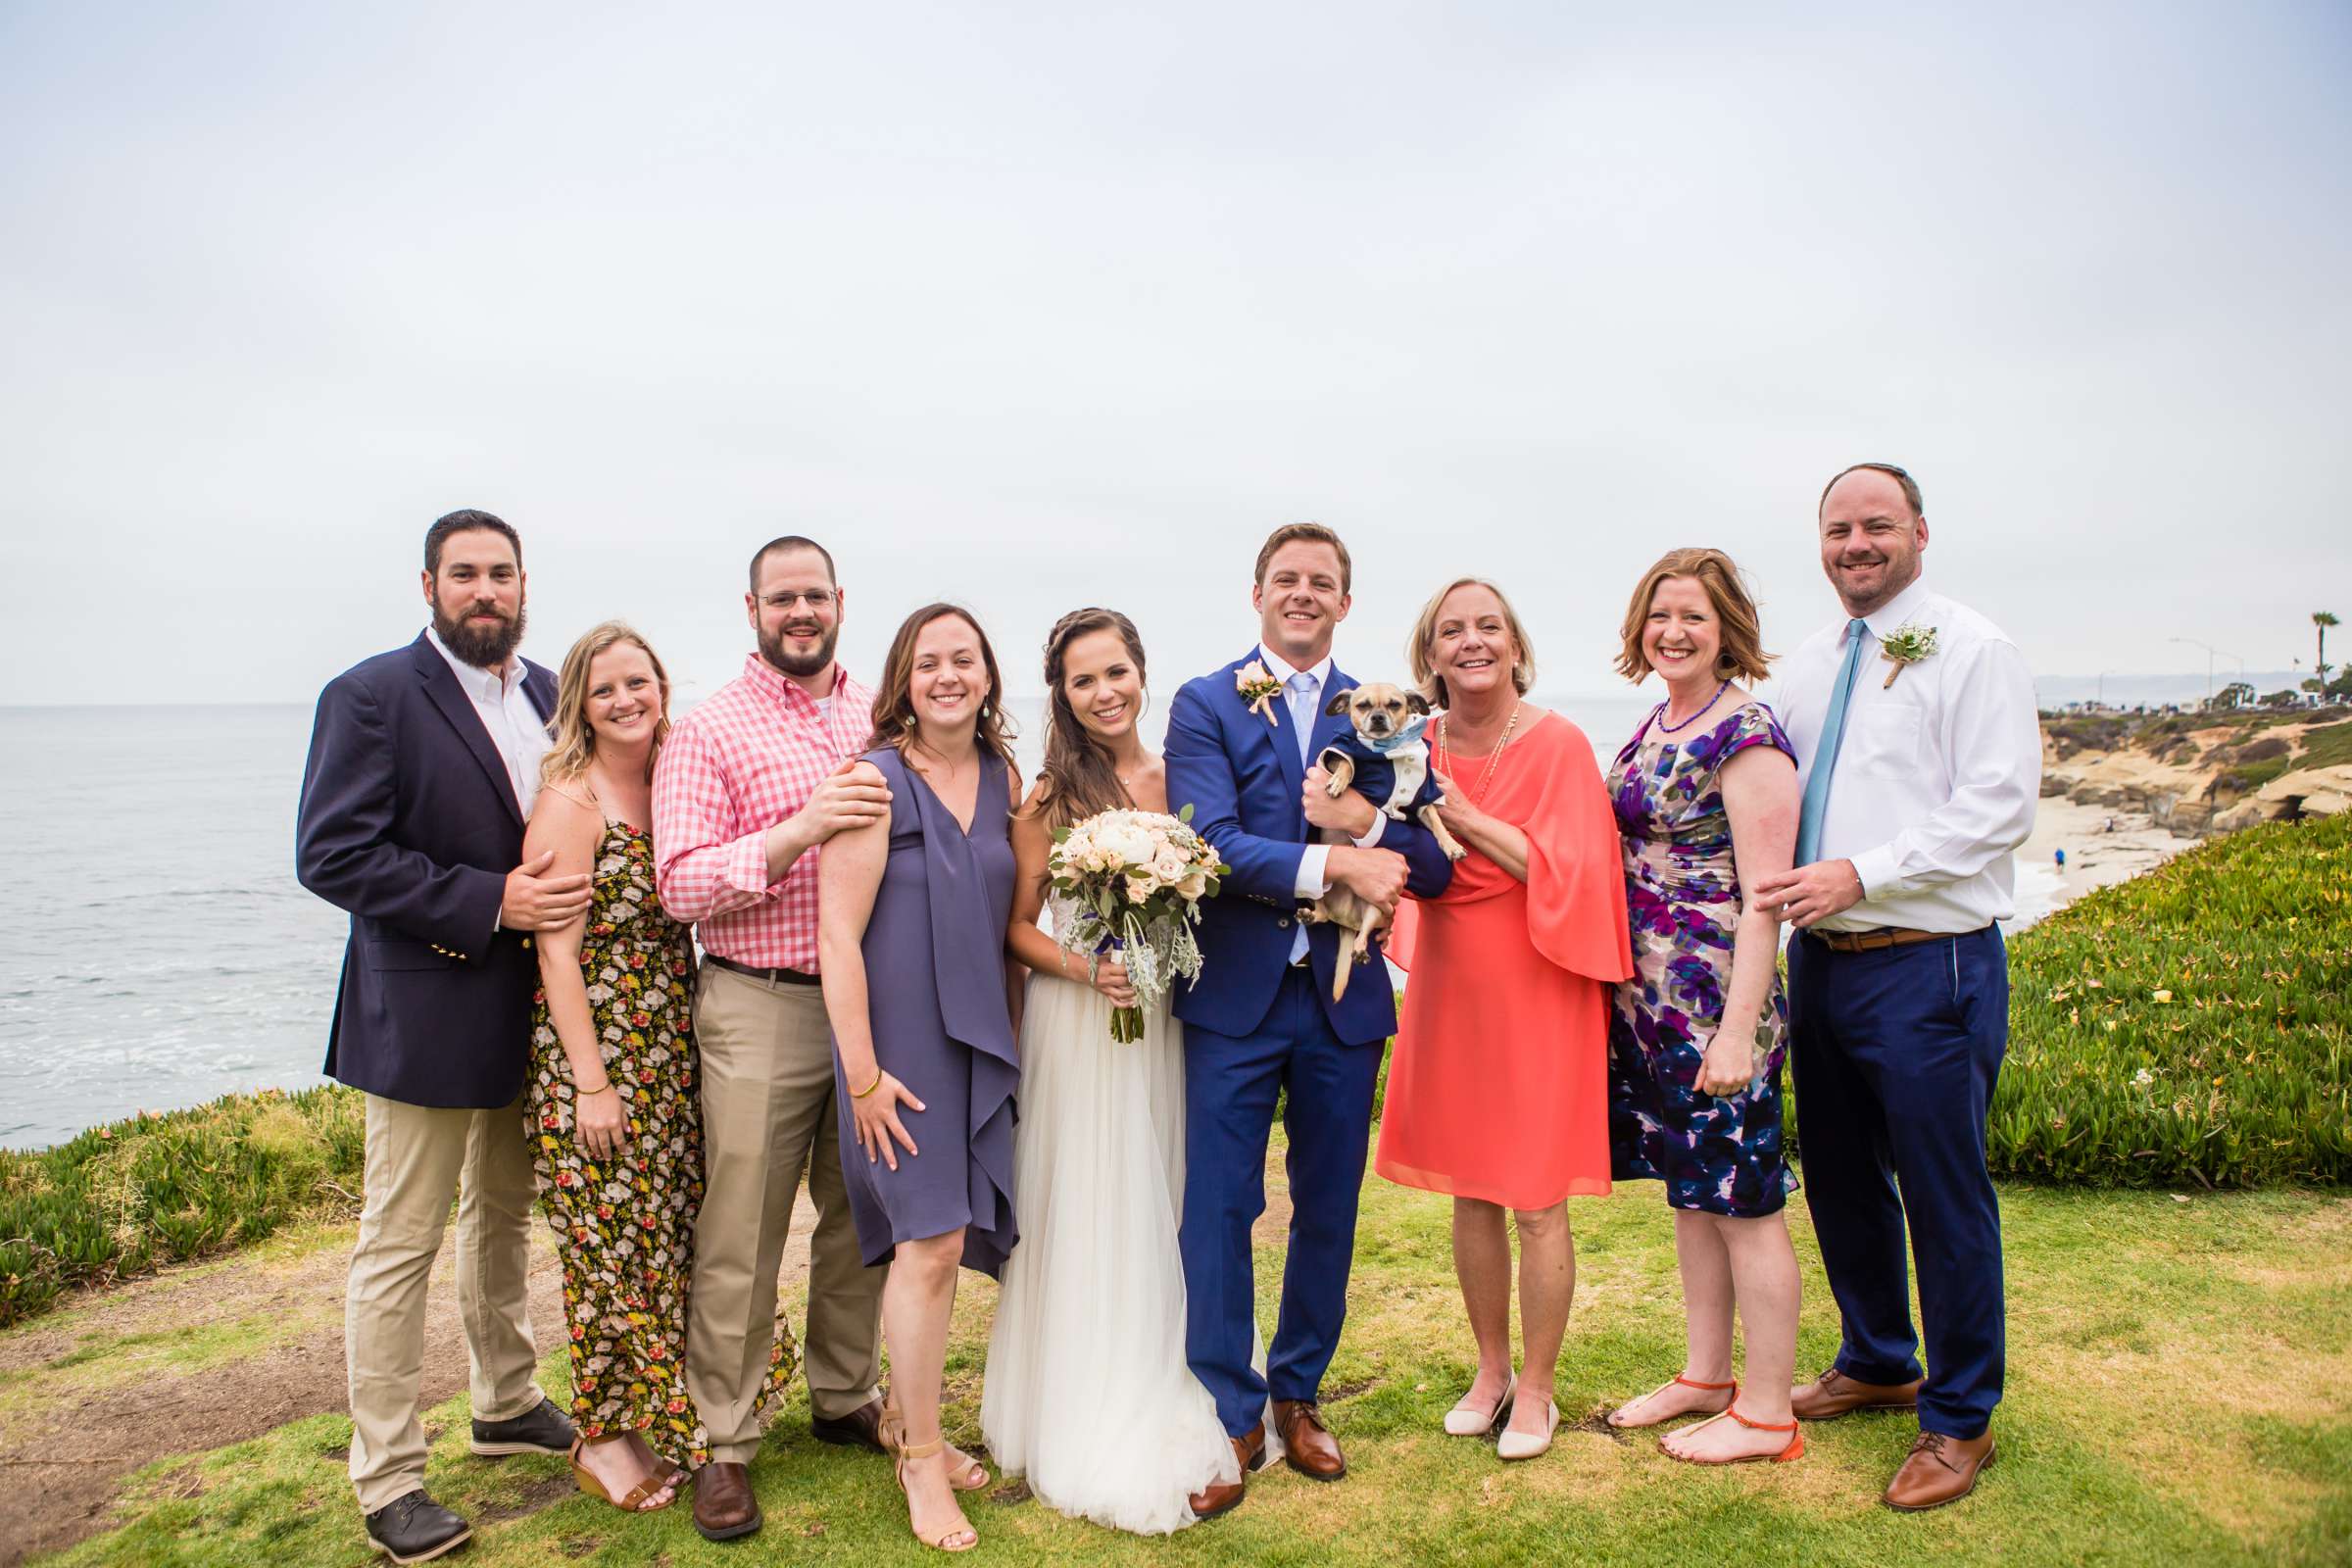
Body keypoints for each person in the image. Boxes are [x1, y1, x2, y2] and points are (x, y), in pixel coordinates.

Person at [296, 510, 580, 1565]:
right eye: (464, 574)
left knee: (504, 1217)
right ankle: (388, 1477)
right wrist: (486, 901)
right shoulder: (370, 696)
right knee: (399, 1242)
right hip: (421, 1006)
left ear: (522, 583)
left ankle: (505, 1400)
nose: (485, 591)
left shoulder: (553, 692)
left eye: (501, 573)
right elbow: (332, 855)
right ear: (428, 586)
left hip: (531, 1009)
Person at [1754, 463, 2039, 1511]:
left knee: (1941, 1189)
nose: (1855, 543)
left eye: (1877, 525)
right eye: (1838, 528)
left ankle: (1961, 1416)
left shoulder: (1973, 647)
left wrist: (1861, 872)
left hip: (1932, 959)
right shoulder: (1809, 661)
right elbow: (1746, 753)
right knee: (1836, 1173)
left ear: (1920, 530)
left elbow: (2001, 805)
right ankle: (1878, 1355)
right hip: (1821, 962)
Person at [1164, 523, 1455, 1517]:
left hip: (1345, 1001)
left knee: (1329, 1207)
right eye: (1286, 579)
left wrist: (1371, 829)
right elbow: (1206, 841)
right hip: (1234, 997)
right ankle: (1230, 1405)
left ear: (1344, 601)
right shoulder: (1205, 701)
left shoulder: (1386, 712)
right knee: (1220, 1206)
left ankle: (1298, 1392)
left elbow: (1439, 862)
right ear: (1257, 594)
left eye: (1321, 582)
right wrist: (1336, 863)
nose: (1302, 593)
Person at [650, 536, 893, 1544]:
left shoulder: (882, 711)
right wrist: (797, 829)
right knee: (742, 1228)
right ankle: (726, 1439)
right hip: (758, 1000)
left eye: (814, 594)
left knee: (862, 1210)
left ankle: (843, 1395)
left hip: (872, 1001)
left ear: (840, 600)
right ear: (751, 607)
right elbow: (680, 882)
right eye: (780, 597)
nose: (800, 610)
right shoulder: (707, 731)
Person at [981, 609, 1241, 1533]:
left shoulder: (1181, 777)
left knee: (1163, 1191)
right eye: (1084, 680)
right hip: (1083, 1013)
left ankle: (1175, 1361)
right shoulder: (1049, 793)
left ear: (1141, 670)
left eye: (1117, 671)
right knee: (1093, 1195)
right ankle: (1087, 1394)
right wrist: (1088, 969)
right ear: (1062, 693)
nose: (1105, 693)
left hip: (1162, 1012)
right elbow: (1015, 927)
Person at [1375, 577, 1630, 1462]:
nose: (1471, 641)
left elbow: (1568, 868)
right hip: (1452, 976)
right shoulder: (1413, 739)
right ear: (1430, 655)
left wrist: (1461, 814)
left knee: (1535, 1196)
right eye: (1452, 630)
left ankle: (1542, 1389)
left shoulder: (1557, 743)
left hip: (1537, 972)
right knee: (1472, 1187)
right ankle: (1489, 1372)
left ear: (1516, 646)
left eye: (1489, 627)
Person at [527, 622, 774, 1513]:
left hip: (678, 1046)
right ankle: (600, 1439)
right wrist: (591, 1083)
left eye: (639, 682)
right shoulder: (571, 800)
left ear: (662, 688)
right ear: (580, 707)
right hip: (597, 1057)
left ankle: (665, 1416)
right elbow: (554, 956)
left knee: (669, 1245)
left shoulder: (676, 774)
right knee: (608, 1254)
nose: (626, 700)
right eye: (605, 690)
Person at [1597, 549, 1807, 1466]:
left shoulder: (1745, 733)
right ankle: (1707, 1375)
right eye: (1659, 616)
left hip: (1718, 1008)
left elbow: (1767, 899)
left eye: (1693, 616)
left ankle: (1767, 1414)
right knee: (1695, 1201)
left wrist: (1736, 1032)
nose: (1673, 632)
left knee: (1747, 1204)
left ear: (1728, 630)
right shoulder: (1656, 724)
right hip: (1651, 1013)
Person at [819, 604, 1021, 1554]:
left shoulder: (1004, 774)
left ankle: (911, 1425)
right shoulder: (872, 781)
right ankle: (921, 1456)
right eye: (929, 661)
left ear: (986, 674)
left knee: (943, 1249)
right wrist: (862, 1076)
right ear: (902, 677)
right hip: (895, 1048)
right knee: (929, 1247)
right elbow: (835, 937)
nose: (948, 674)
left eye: (964, 659)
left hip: (975, 1036)